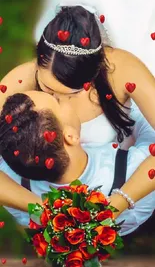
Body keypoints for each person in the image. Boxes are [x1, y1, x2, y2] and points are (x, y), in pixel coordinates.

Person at [0, 4, 155, 217]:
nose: (59, 101)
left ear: (93, 77)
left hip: (124, 176)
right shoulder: (18, 84)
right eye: (47, 89)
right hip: (45, 187)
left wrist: (118, 202)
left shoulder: (121, 70)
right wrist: (45, 208)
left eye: (71, 93)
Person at [0, 90, 155, 238]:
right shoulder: (136, 170)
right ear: (70, 136)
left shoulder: (14, 188)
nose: (58, 93)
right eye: (57, 100)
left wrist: (44, 208)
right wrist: (120, 104)